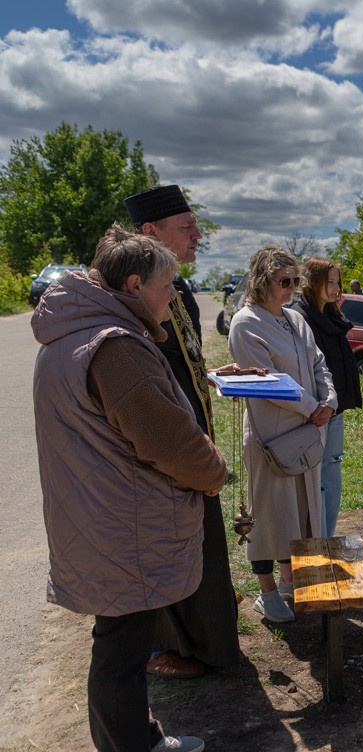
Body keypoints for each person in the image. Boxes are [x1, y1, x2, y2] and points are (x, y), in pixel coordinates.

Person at [32, 225, 227, 752]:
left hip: (103, 521)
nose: (174, 296)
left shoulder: (79, 332)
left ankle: (140, 740)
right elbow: (168, 442)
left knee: (127, 643)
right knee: (120, 653)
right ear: (135, 283)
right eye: (168, 286)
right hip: (123, 527)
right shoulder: (114, 346)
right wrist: (214, 471)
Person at [125, 184, 240, 680]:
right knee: (173, 548)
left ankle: (211, 636)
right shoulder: (130, 296)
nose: (198, 235)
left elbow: (179, 364)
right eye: (186, 227)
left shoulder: (181, 290)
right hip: (165, 451)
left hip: (195, 441)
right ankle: (182, 646)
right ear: (150, 232)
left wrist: (215, 375)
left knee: (204, 542)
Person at [228, 246, 336, 622]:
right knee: (270, 516)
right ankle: (267, 592)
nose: (291, 288)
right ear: (262, 282)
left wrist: (330, 400)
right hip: (271, 437)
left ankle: (289, 582)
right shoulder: (246, 323)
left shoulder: (294, 319)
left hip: (307, 431)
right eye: (283, 282)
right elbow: (270, 383)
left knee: (299, 514)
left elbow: (319, 363)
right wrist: (313, 407)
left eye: (295, 281)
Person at [295, 258, 363, 536]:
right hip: (316, 412)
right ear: (313, 282)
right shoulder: (300, 316)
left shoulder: (332, 315)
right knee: (317, 480)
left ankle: (327, 538)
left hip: (336, 409)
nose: (337, 288)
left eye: (339, 282)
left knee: (331, 474)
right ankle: (318, 542)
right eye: (330, 282)